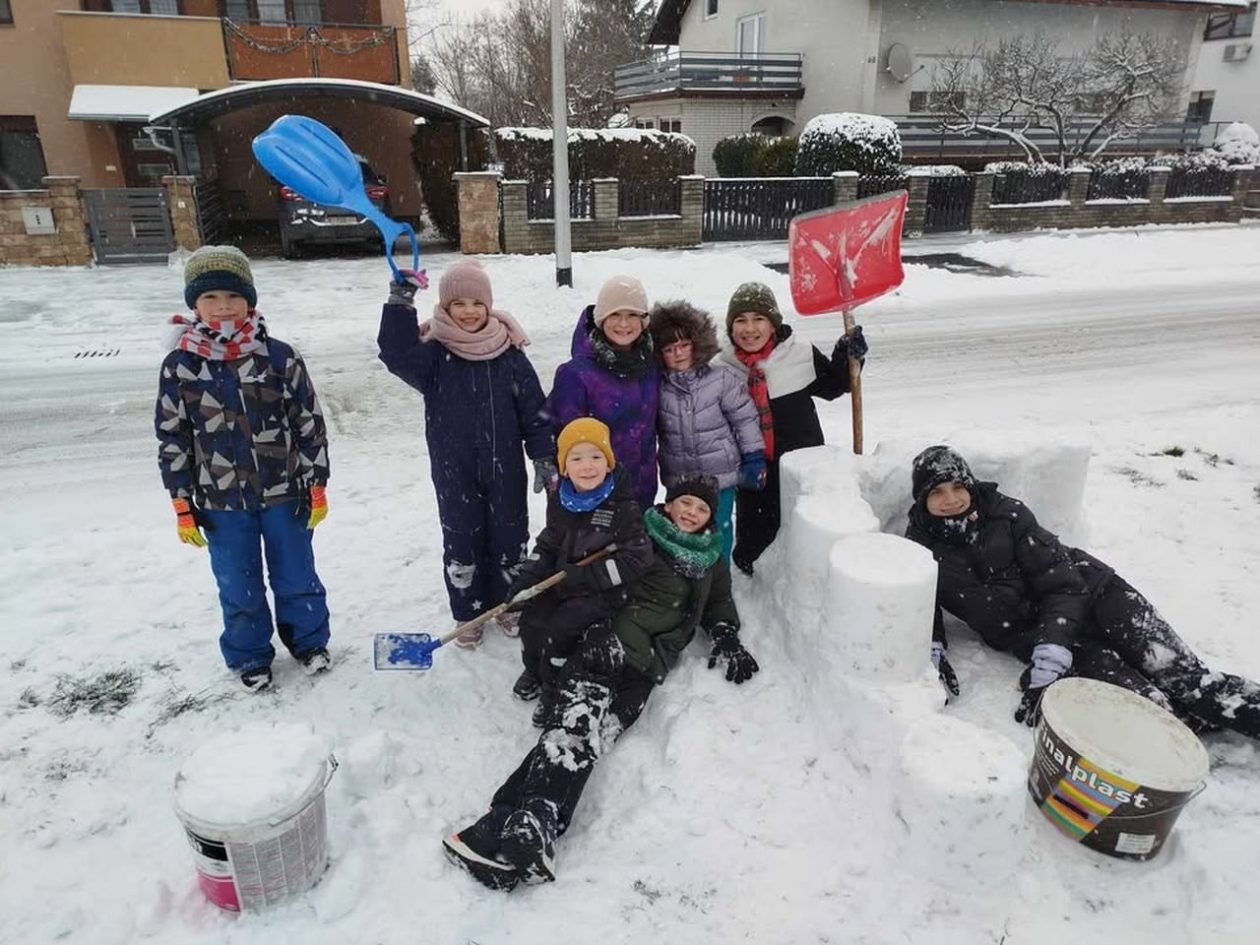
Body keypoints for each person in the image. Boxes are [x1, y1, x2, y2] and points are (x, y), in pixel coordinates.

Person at [443, 475, 759, 890]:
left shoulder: (711, 558)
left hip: (647, 668)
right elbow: (581, 559)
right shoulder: (639, 536)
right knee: (575, 728)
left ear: (709, 518)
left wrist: (725, 633)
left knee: (591, 738)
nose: (691, 513)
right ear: (668, 505)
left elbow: (718, 602)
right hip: (605, 645)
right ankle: (536, 822)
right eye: (684, 503)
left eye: (701, 509)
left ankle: (499, 827)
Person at [905, 444, 1260, 739]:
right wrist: (931, 650)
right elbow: (920, 604)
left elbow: (1063, 584)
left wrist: (1051, 651)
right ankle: (1197, 720)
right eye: (936, 491)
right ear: (922, 499)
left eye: (957, 487)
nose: (950, 499)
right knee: (1156, 711)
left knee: (1184, 680)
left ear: (970, 485)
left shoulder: (1008, 516)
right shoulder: (918, 547)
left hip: (1098, 597)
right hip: (1042, 637)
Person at [155, 246, 331, 692]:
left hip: (285, 492)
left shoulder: (278, 357)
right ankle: (250, 654)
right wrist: (180, 498)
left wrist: (317, 481)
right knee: (239, 583)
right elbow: (172, 435)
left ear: (249, 301)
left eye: (233, 297)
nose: (224, 307)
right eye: (211, 298)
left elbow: (308, 421)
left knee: (296, 573)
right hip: (220, 500)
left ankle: (309, 641)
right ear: (194, 305)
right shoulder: (181, 366)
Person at [378, 262, 556, 649]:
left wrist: (544, 454)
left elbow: (535, 410)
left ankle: (510, 602)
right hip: (453, 468)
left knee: (511, 535)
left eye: (478, 302)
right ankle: (470, 609)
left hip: (506, 467)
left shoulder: (509, 354)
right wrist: (401, 301)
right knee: (462, 539)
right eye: (459, 303)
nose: (470, 311)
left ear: (489, 306)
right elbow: (394, 352)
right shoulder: (432, 356)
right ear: (445, 306)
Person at [507, 418, 654, 726]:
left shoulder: (622, 507)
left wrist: (587, 577)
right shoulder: (561, 499)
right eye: (576, 458)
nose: (587, 466)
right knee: (533, 619)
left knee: (561, 628)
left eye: (596, 456)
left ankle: (554, 687)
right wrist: (527, 578)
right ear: (564, 466)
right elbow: (549, 543)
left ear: (608, 462)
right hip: (564, 580)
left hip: (604, 590)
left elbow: (637, 559)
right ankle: (534, 669)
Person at [716, 281, 868, 575]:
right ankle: (755, 577)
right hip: (753, 468)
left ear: (773, 324)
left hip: (801, 465)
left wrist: (848, 355)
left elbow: (834, 386)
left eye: (759, 319)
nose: (749, 329)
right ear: (731, 327)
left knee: (803, 537)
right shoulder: (721, 368)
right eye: (740, 320)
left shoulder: (800, 353)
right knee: (755, 547)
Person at [650, 299, 764, 563]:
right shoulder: (658, 387)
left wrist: (753, 456)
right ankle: (684, 576)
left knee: (717, 528)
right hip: (679, 477)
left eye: (684, 345)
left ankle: (718, 578)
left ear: (697, 343)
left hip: (719, 475)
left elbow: (744, 419)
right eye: (669, 349)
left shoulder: (720, 379)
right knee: (680, 529)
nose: (678, 354)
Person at [546, 275, 660, 510]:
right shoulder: (576, 374)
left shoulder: (651, 366)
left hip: (642, 489)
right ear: (601, 319)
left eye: (632, 315)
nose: (624, 324)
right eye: (615, 315)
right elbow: (562, 435)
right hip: (592, 492)